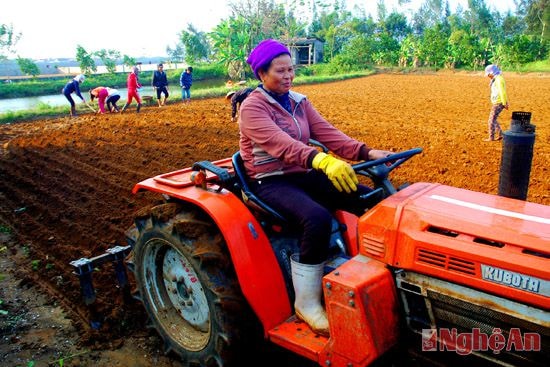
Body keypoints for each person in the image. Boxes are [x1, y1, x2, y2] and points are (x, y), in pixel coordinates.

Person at [239, 39, 394, 336]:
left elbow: (328, 134)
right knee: (316, 218)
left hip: (303, 172)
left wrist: (367, 152)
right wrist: (320, 160)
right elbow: (281, 145)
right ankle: (307, 302)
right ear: (262, 74)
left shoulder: (299, 101)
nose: (288, 76)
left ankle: (377, 273)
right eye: (280, 71)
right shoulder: (252, 108)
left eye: (291, 70)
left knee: (370, 197)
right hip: (269, 180)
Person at [484, 64, 509, 142]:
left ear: (492, 72)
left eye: (488, 74)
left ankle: (491, 137)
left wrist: (504, 102)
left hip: (499, 102)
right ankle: (500, 133)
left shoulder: (498, 79)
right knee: (494, 119)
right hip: (498, 101)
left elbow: (502, 91)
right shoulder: (497, 78)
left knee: (491, 120)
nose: (488, 76)